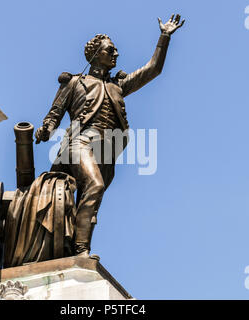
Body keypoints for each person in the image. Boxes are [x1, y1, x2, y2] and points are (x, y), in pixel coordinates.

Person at [35, 14, 185, 258]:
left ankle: (75, 250)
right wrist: (45, 129)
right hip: (80, 142)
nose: (116, 54)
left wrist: (164, 36)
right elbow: (54, 114)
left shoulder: (118, 86)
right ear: (96, 54)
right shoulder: (74, 83)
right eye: (110, 50)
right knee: (95, 185)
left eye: (115, 51)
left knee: (92, 203)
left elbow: (153, 69)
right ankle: (81, 250)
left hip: (107, 149)